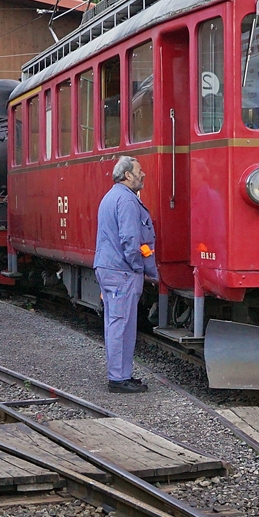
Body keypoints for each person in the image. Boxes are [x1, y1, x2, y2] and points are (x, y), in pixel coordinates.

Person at [93, 155, 157, 393]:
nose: (143, 174)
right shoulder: (127, 201)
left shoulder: (111, 196)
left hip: (108, 268)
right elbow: (131, 240)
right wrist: (138, 267)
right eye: (139, 170)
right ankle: (119, 379)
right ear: (128, 175)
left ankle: (120, 374)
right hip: (122, 271)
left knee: (115, 323)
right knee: (122, 324)